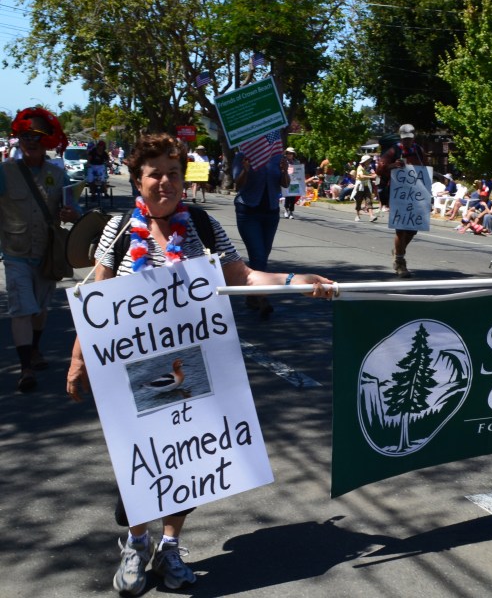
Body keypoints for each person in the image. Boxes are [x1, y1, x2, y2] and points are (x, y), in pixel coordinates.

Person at [65, 133, 333, 596]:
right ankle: (136, 540)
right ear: (137, 179)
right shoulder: (118, 230)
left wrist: (295, 278)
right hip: (132, 369)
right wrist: (77, 359)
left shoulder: (204, 227)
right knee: (143, 460)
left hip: (195, 364)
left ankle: (170, 545)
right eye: (155, 175)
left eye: (174, 174)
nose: (166, 183)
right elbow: (95, 302)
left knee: (188, 458)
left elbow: (244, 276)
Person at [0, 107, 79, 391]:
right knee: (22, 309)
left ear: (46, 139)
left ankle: (34, 347)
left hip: (46, 254)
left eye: (36, 136)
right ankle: (26, 367)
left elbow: (73, 208)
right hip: (15, 253)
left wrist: (72, 214)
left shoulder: (57, 174)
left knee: (40, 309)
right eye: (25, 135)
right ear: (17, 137)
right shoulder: (5, 171)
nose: (30, 141)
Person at [232, 136, 289, 318]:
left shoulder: (276, 157)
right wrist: (246, 170)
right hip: (248, 211)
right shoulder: (244, 155)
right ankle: (263, 298)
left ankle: (250, 295)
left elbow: (285, 184)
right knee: (258, 255)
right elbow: (237, 184)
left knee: (263, 255)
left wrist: (284, 171)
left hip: (270, 211)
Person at [375, 123, 427, 278]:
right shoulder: (394, 150)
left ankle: (399, 250)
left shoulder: (418, 151)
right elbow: (379, 169)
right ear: (401, 138)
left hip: (416, 193)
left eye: (410, 139)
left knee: (413, 228)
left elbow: (426, 169)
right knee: (401, 226)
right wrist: (392, 166)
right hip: (398, 194)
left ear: (413, 138)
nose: (407, 142)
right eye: (405, 139)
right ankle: (400, 262)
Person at [354, 154, 377, 222]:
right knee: (359, 201)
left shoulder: (367, 167)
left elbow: (367, 174)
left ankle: (371, 216)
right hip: (360, 187)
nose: (369, 161)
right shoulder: (360, 167)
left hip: (366, 186)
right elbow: (361, 176)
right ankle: (357, 215)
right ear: (365, 161)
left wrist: (373, 175)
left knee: (369, 200)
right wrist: (371, 177)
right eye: (368, 160)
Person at [282, 147, 299, 219]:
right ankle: (286, 210)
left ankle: (291, 212)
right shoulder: (284, 161)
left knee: (293, 197)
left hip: (294, 181)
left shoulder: (297, 162)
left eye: (291, 153)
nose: (289, 155)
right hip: (286, 180)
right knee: (287, 196)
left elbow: (299, 171)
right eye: (288, 153)